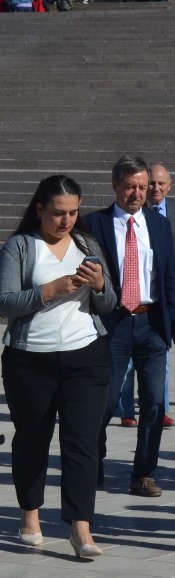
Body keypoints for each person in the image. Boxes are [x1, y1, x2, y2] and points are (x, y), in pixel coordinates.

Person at [0, 176, 118, 558]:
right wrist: (50, 290)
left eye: (72, 212)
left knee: (83, 441)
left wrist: (99, 285)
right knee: (33, 438)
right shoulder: (20, 246)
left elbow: (109, 303)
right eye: (57, 213)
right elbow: (4, 302)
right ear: (40, 210)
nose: (66, 221)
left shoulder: (88, 244)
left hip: (85, 355)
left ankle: (81, 527)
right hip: (30, 360)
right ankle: (29, 514)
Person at [81, 156, 175, 497]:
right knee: (106, 401)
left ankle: (144, 472)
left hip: (151, 323)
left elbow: (168, 274)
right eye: (130, 187)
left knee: (154, 402)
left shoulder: (157, 224)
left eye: (142, 186)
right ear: (115, 186)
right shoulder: (93, 225)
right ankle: (94, 458)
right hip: (113, 324)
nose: (137, 193)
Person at [148, 163, 175, 428]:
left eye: (161, 183)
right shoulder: (136, 210)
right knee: (129, 363)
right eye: (152, 183)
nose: (156, 188)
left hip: (168, 290)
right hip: (137, 291)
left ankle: (159, 407)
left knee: (160, 358)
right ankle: (126, 407)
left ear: (169, 185)